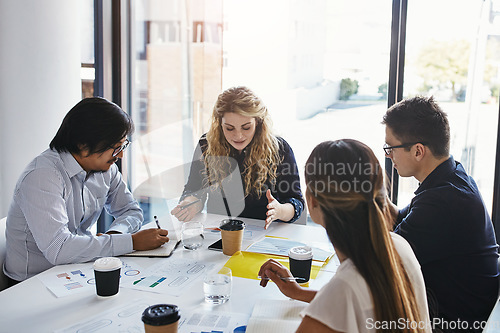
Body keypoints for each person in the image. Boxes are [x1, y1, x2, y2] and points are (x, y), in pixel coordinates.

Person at [259, 139, 431, 333]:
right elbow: (364, 303)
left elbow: (345, 299)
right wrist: (297, 292)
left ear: (312, 201)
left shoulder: (344, 289)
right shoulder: (398, 246)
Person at [4, 97, 169, 285]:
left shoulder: (105, 168)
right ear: (83, 145)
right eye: (115, 148)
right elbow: (60, 249)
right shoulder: (42, 176)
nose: (121, 155)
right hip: (31, 283)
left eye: (123, 145)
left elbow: (130, 211)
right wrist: (131, 242)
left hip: (76, 269)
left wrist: (116, 234)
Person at [383, 96, 498, 332]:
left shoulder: (443, 202)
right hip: (459, 308)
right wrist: (374, 196)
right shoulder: (452, 177)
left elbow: (384, 260)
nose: (388, 156)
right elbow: (399, 219)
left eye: (390, 148)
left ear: (418, 151)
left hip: (453, 322)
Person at [171, 86, 304, 229]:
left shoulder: (279, 149)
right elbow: (193, 188)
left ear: (258, 122)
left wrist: (280, 211)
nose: (238, 136)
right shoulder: (207, 145)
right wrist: (191, 203)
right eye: (229, 128)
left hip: (265, 234)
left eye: (246, 127)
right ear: (219, 123)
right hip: (219, 233)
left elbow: (297, 202)